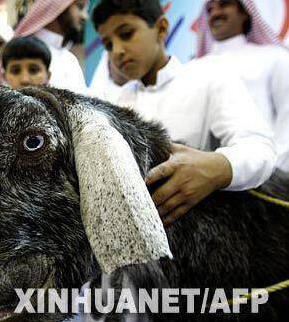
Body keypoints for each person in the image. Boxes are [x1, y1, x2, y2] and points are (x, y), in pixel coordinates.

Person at [92, 0, 276, 225]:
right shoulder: (115, 102)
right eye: (108, 45)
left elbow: (259, 147)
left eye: (127, 34)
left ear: (161, 28)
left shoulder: (208, 77)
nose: (117, 51)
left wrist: (217, 168)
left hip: (204, 235)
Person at [196, 0, 289, 199]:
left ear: (246, 12)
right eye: (210, 9)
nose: (215, 13)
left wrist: (270, 173)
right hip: (206, 188)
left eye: (224, 5)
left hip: (269, 185)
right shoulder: (193, 69)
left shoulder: (274, 58)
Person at [14, 0, 88, 92]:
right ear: (59, 7)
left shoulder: (70, 59)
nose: (85, 16)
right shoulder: (19, 52)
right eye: (80, 7)